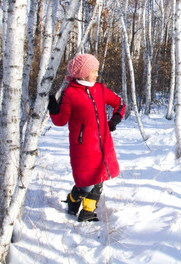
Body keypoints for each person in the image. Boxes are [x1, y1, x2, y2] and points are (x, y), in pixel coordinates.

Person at [48, 53, 125, 221]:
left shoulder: (100, 89)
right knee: (86, 183)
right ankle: (73, 199)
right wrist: (54, 110)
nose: (97, 74)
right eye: (94, 71)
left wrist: (114, 120)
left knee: (100, 179)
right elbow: (61, 121)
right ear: (83, 73)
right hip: (83, 147)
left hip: (103, 144)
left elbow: (119, 102)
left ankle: (88, 211)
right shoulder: (70, 94)